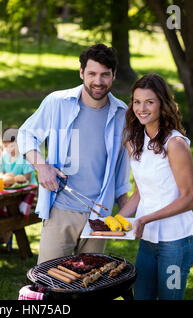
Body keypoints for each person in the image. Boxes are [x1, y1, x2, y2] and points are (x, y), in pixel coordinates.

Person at [17, 43, 131, 264]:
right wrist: (42, 166)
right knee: (49, 281)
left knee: (90, 284)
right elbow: (24, 135)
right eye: (92, 74)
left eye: (105, 75)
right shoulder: (57, 102)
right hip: (61, 209)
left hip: (100, 214)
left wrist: (125, 215)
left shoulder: (122, 114)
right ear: (81, 73)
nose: (98, 81)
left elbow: (121, 170)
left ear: (114, 75)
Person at [118, 73, 193, 299]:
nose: (141, 108)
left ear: (162, 105)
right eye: (137, 101)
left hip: (175, 242)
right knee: (141, 297)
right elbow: (139, 192)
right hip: (148, 240)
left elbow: (190, 198)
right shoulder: (134, 141)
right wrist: (119, 221)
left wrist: (144, 219)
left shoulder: (175, 144)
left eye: (149, 102)